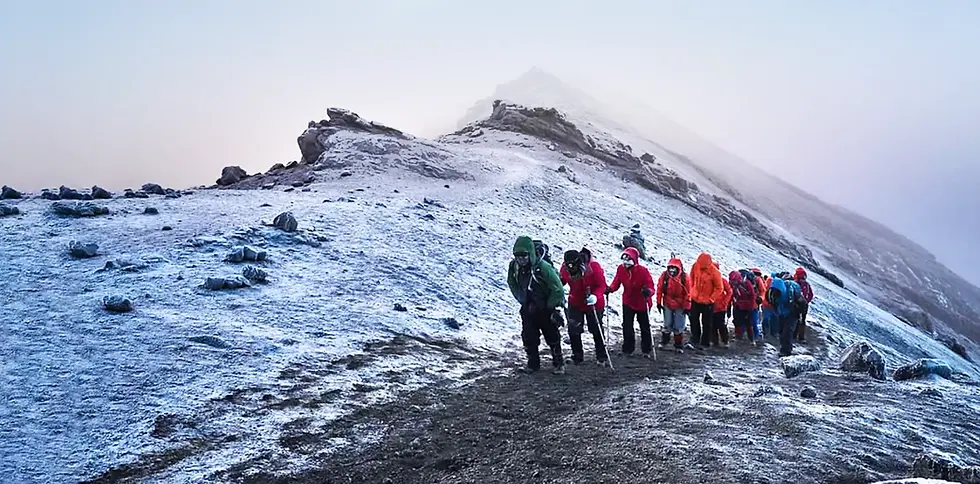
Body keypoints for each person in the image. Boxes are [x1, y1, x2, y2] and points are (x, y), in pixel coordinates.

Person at [507, 236, 566, 374]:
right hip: (528, 307)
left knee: (552, 335)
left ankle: (559, 364)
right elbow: (511, 282)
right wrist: (521, 299)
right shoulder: (514, 266)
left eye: (524, 256)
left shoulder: (542, 267)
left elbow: (558, 289)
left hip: (545, 307)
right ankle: (533, 364)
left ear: (530, 254)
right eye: (518, 256)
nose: (521, 260)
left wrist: (550, 305)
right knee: (528, 336)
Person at [559, 248, 610, 365]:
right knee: (573, 328)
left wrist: (595, 296)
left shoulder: (594, 267)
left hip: (594, 302)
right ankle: (577, 356)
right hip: (575, 301)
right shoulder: (565, 268)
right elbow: (562, 280)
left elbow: (601, 285)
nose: (571, 270)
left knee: (596, 328)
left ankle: (602, 356)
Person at [606, 247, 655, 357]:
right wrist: (610, 289)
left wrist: (648, 291)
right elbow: (616, 282)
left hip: (643, 302)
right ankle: (628, 348)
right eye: (624, 260)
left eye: (629, 260)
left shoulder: (643, 271)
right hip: (628, 301)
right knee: (627, 325)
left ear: (634, 260)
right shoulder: (621, 269)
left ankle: (646, 350)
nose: (626, 263)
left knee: (644, 326)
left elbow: (651, 287)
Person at [689, 252, 725, 349]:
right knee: (693, 320)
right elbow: (691, 277)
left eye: (703, 266)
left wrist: (711, 299)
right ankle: (695, 339)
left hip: (707, 302)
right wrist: (692, 290)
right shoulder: (695, 266)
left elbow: (719, 288)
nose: (700, 267)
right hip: (695, 299)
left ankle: (705, 342)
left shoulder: (715, 272)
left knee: (707, 323)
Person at [657, 257, 691, 353]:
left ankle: (678, 345)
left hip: (681, 304)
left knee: (679, 325)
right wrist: (659, 302)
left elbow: (688, 293)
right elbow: (659, 289)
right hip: (667, 302)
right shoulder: (664, 276)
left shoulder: (685, 278)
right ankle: (664, 341)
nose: (671, 270)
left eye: (674, 268)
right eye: (670, 268)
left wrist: (687, 307)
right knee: (667, 323)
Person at [767, 274, 804, 357]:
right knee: (781, 331)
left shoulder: (790, 292)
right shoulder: (772, 293)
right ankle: (784, 348)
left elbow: (802, 303)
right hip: (782, 312)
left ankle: (786, 351)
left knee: (787, 332)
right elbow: (772, 303)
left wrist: (799, 314)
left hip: (792, 313)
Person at [730, 270, 759, 345]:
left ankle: (752, 340)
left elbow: (752, 296)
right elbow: (732, 294)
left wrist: (751, 308)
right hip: (738, 306)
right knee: (737, 322)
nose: (734, 283)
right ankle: (738, 336)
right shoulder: (734, 284)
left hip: (747, 307)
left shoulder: (747, 283)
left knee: (748, 323)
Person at [709, 262, 733, 348]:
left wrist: (724, 302)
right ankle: (714, 341)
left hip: (720, 307)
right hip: (710, 306)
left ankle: (725, 340)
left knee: (721, 325)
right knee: (711, 325)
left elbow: (729, 292)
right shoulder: (708, 280)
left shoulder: (722, 280)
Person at [794, 267, 814, 344]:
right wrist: (806, 301)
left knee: (795, 319)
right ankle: (801, 337)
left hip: (796, 304)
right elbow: (811, 295)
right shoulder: (807, 284)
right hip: (804, 305)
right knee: (802, 320)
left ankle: (794, 335)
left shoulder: (795, 283)